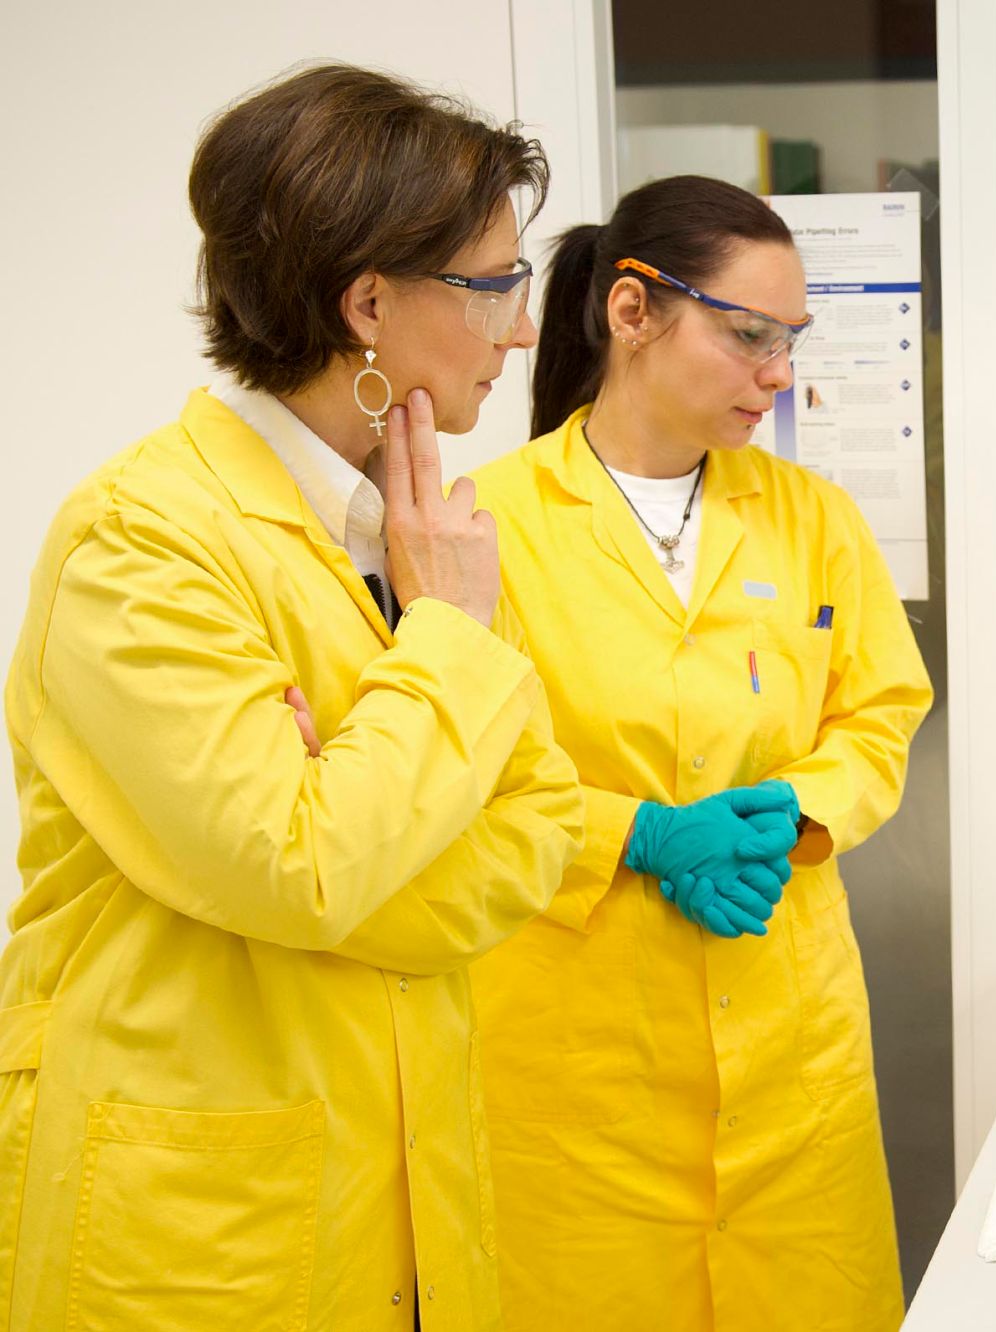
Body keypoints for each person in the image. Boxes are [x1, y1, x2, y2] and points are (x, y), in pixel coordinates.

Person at [0, 65, 587, 1331]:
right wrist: (436, 643)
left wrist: (360, 805)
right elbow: (303, 865)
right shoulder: (143, 541)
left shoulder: (413, 524)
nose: (526, 329)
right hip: (203, 1231)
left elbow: (537, 827)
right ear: (369, 301)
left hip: (400, 1188)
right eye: (496, 285)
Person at [469, 174, 934, 1331]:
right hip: (576, 1071)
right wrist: (636, 834)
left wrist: (797, 808)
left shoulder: (812, 516)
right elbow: (460, 772)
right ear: (632, 312)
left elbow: (881, 712)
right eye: (747, 337)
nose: (778, 374)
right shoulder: (482, 524)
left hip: (789, 1056)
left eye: (790, 341)